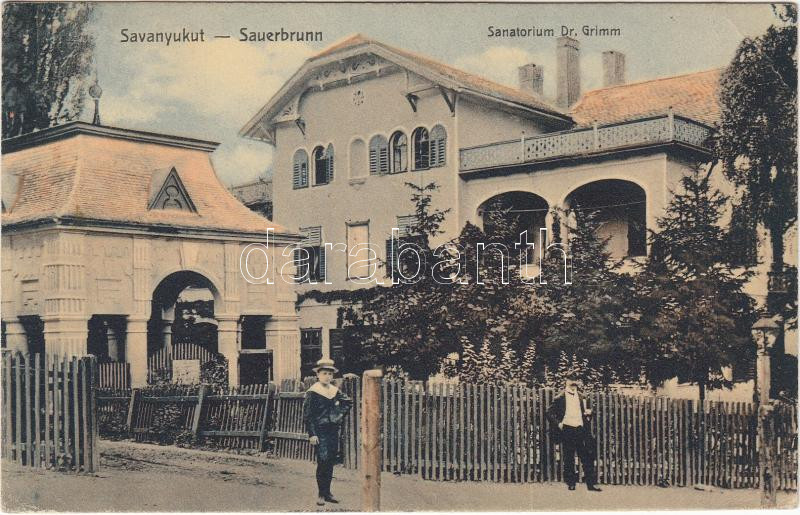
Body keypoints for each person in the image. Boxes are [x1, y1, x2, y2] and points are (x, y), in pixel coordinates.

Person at [303, 358, 352, 506]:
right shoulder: (313, 392)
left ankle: (328, 493)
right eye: (324, 373)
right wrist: (312, 434)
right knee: (323, 461)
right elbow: (308, 416)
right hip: (320, 431)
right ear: (318, 374)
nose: (327, 376)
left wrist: (337, 415)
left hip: (332, 430)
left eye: (330, 374)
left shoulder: (334, 390)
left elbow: (348, 402)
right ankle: (321, 494)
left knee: (330, 461)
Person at [546, 372, 602, 492]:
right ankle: (571, 483)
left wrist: (589, 414)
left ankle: (591, 484)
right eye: (571, 380)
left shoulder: (582, 396)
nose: (573, 382)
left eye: (575, 380)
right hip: (567, 430)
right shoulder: (560, 397)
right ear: (566, 381)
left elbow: (587, 412)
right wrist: (559, 423)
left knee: (586, 457)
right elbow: (549, 412)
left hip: (580, 429)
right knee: (569, 457)